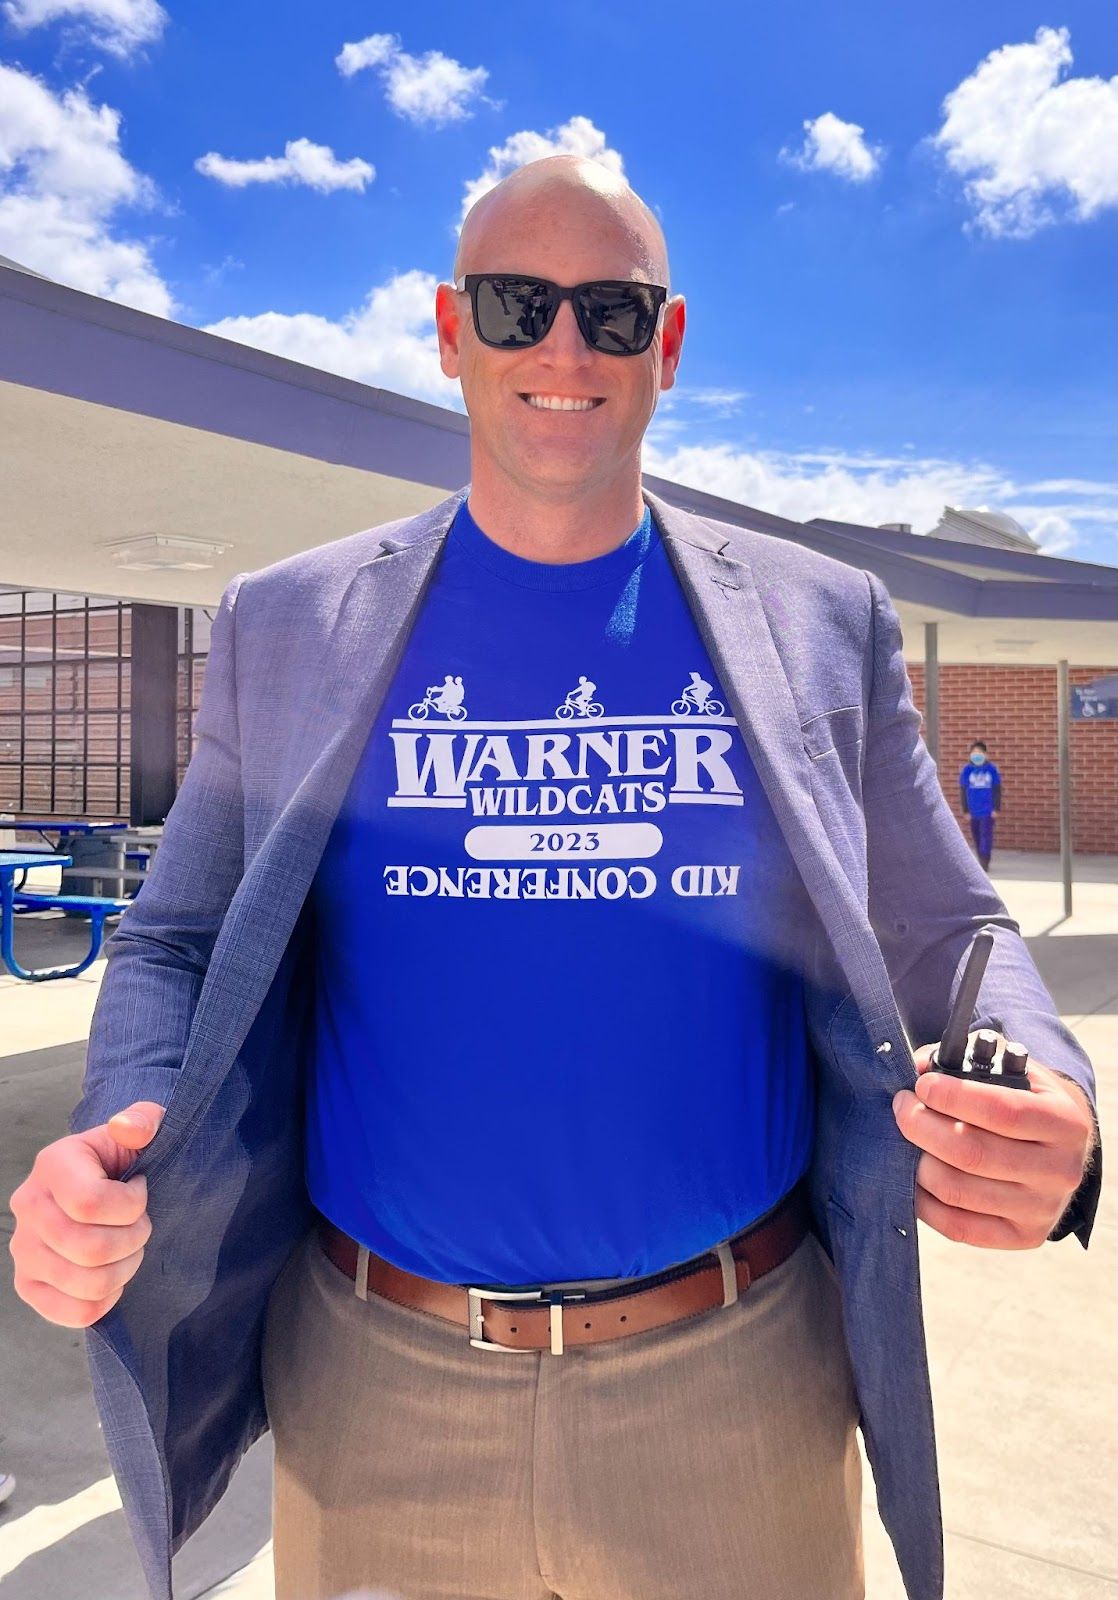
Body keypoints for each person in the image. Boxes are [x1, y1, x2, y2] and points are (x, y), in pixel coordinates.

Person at [8, 157, 1101, 1600]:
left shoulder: (821, 623)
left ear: (670, 343)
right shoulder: (288, 626)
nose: (564, 350)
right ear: (451, 334)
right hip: (378, 1391)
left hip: (738, 1393)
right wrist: (108, 1130)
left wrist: (1045, 1078)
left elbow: (947, 924)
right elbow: (176, 940)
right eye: (520, 307)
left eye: (611, 309)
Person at [959, 739, 1002, 871]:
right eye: (974, 752)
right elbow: (963, 791)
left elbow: (997, 790)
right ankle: (980, 857)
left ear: (985, 754)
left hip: (987, 810)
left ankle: (985, 859)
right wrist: (966, 810)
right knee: (976, 835)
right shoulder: (967, 770)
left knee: (986, 835)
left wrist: (996, 808)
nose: (976, 755)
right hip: (973, 810)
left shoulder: (991, 770)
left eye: (979, 752)